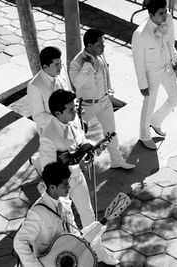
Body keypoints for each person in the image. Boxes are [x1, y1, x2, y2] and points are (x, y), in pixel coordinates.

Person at [37, 89, 119, 265]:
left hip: (78, 178)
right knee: (70, 225)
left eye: (74, 108)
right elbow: (48, 170)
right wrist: (75, 166)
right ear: (58, 113)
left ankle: (99, 252)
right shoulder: (48, 137)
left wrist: (90, 150)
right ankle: (77, 257)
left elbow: (81, 142)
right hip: (60, 187)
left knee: (88, 215)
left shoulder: (73, 121)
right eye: (70, 110)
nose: (75, 112)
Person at [69, 28, 135, 170]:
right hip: (86, 106)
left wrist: (108, 91)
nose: (103, 47)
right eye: (100, 44)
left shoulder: (100, 55)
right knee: (77, 137)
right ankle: (75, 168)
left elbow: (106, 73)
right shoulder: (77, 63)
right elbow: (77, 83)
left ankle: (116, 160)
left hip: (104, 102)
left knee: (111, 132)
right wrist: (87, 65)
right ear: (89, 46)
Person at [131, 0, 177, 150]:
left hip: (168, 68)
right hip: (151, 73)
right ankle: (144, 135)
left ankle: (156, 121)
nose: (165, 15)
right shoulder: (140, 34)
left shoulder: (169, 19)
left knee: (176, 98)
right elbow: (138, 62)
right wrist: (142, 84)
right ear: (151, 14)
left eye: (165, 11)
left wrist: (176, 60)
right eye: (161, 13)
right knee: (148, 105)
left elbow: (171, 43)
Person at [14, 162, 78, 266]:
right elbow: (19, 241)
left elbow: (73, 228)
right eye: (65, 185)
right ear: (52, 187)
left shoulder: (65, 201)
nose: (69, 187)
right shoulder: (37, 213)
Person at [27, 46, 71, 135]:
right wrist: (62, 120)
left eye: (60, 63)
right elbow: (38, 116)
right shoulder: (34, 86)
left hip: (70, 125)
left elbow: (69, 92)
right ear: (45, 67)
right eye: (56, 64)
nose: (60, 67)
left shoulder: (62, 71)